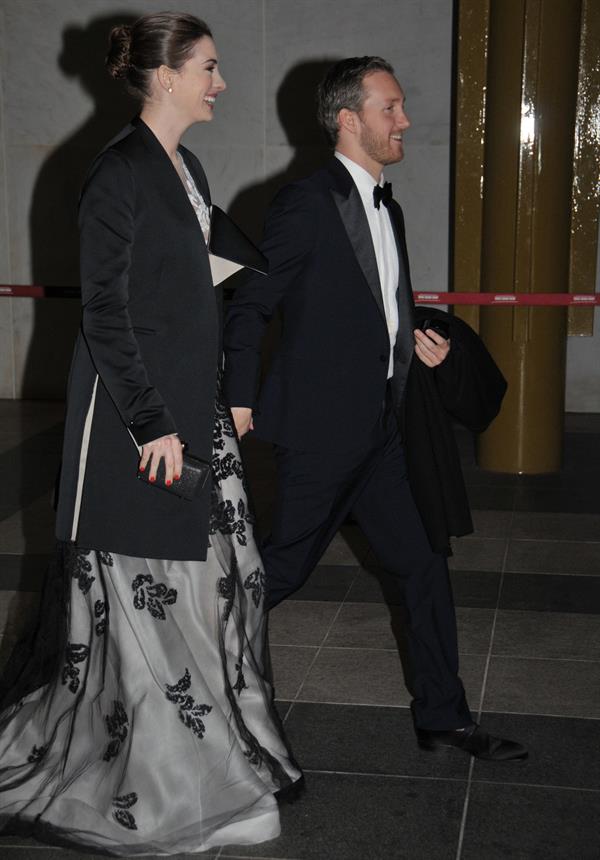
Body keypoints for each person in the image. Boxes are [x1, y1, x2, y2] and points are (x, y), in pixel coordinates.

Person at [0, 11, 300, 856]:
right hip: (142, 429)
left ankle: (209, 769)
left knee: (218, 593)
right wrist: (153, 424)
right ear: (163, 76)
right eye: (208, 67)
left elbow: (183, 282)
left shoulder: (187, 166)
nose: (221, 83)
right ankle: (171, 794)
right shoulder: (116, 173)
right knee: (153, 605)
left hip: (190, 412)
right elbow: (104, 312)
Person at [224, 56, 527, 762]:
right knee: (281, 571)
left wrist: (415, 344)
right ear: (349, 118)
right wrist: (238, 398)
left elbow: (370, 303)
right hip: (324, 433)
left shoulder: (385, 203)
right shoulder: (305, 201)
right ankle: (183, 678)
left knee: (421, 565)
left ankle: (443, 717)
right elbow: (253, 304)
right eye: (390, 108)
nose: (405, 121)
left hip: (384, 433)